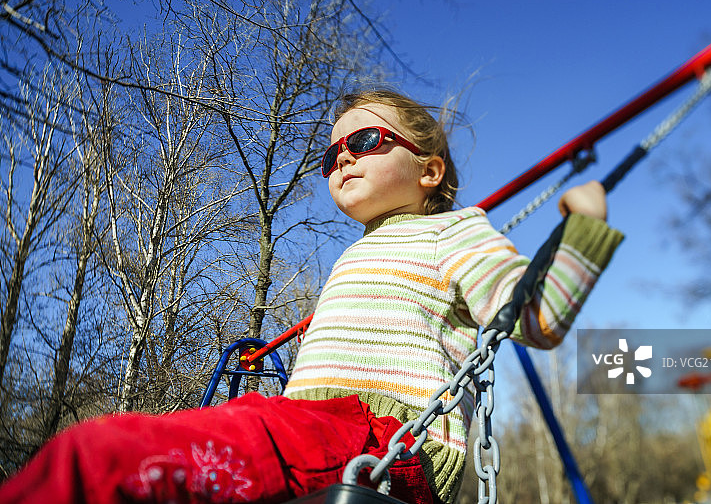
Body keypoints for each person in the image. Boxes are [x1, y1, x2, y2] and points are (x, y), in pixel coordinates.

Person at [0, 89, 623, 504]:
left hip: (385, 440)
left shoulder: (453, 229)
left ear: (428, 170)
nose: (343, 158)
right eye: (332, 154)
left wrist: (584, 228)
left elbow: (534, 315)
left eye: (367, 143)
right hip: (317, 434)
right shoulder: (357, 254)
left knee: (97, 460)